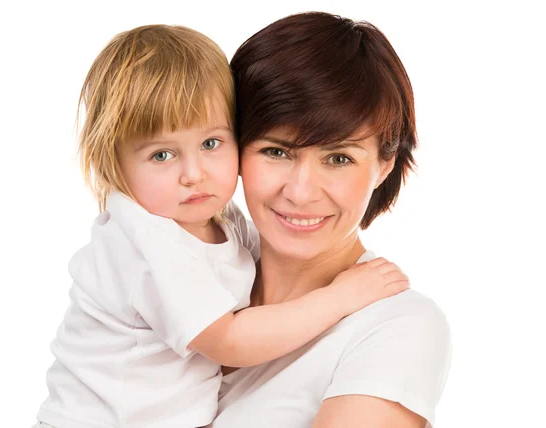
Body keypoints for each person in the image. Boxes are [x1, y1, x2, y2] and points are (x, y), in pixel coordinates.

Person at [34, 24, 409, 428]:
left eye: (211, 144)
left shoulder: (220, 221)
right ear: (114, 163)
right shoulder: (147, 242)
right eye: (162, 155)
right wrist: (340, 298)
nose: (193, 174)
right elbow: (229, 341)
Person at [209, 12, 451, 428]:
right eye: (276, 151)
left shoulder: (398, 328)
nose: (301, 192)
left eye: (339, 158)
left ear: (385, 164)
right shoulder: (188, 274)